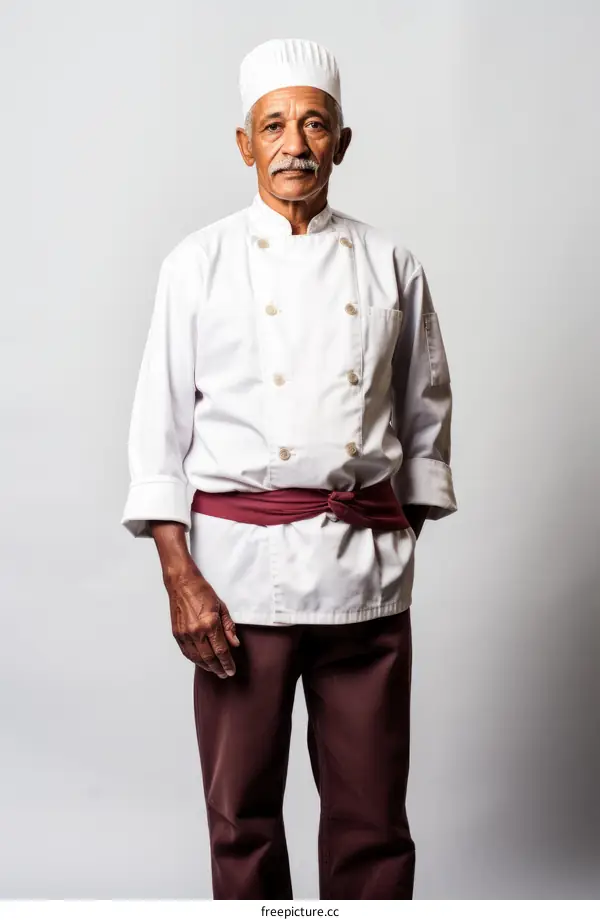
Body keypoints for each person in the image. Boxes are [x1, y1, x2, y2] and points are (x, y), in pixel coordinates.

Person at [121, 37, 458, 900]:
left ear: (342, 142)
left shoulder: (392, 264)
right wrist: (181, 580)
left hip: (366, 582)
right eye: (274, 126)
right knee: (241, 816)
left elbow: (425, 428)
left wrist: (386, 546)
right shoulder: (197, 264)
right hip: (238, 586)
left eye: (314, 125)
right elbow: (158, 436)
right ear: (246, 144)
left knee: (373, 820)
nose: (294, 145)